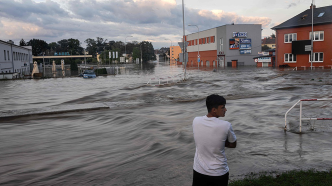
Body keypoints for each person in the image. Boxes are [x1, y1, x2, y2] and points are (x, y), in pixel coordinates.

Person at [192, 94, 237, 186]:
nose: (225, 110)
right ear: (214, 110)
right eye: (223, 107)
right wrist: (220, 142)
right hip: (218, 172)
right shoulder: (226, 125)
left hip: (199, 171)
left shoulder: (196, 120)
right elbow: (233, 144)